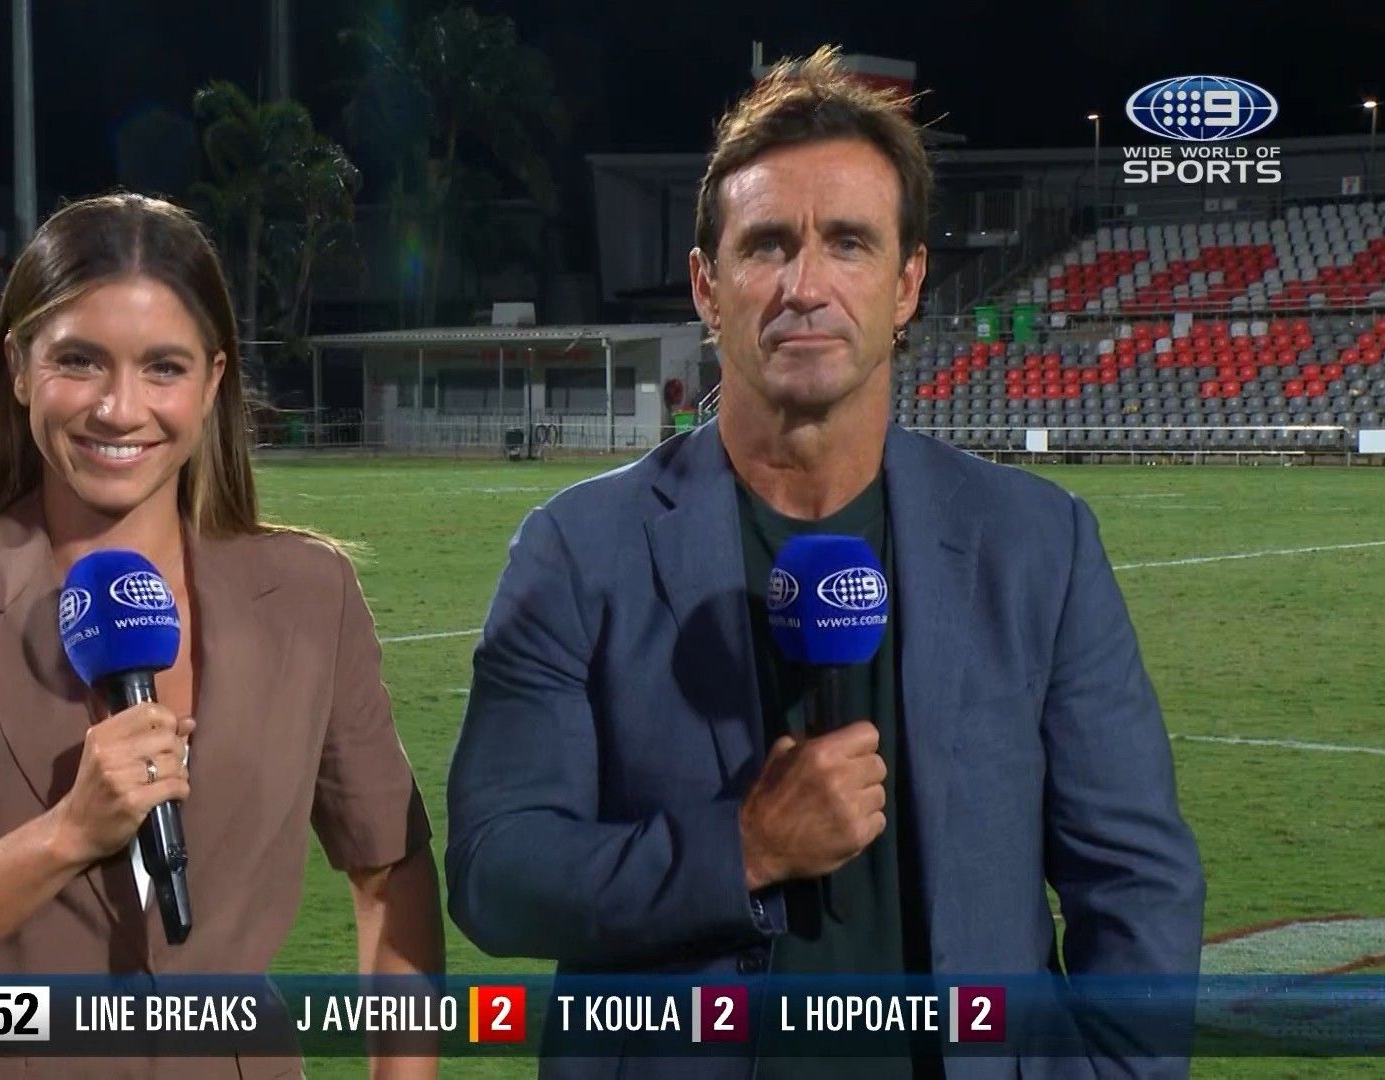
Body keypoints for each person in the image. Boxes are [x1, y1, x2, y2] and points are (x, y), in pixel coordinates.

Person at [445, 47, 1203, 1080]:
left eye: (848, 243)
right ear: (708, 287)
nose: (805, 286)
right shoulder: (577, 551)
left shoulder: (1038, 547)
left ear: (907, 283)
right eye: (768, 246)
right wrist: (742, 849)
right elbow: (496, 871)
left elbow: (1138, 883)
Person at [0, 193, 443, 1078]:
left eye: (164, 367)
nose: (120, 409)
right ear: (19, 368)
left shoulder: (309, 597)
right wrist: (63, 836)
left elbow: (391, 875)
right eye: (79, 361)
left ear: (213, 381)